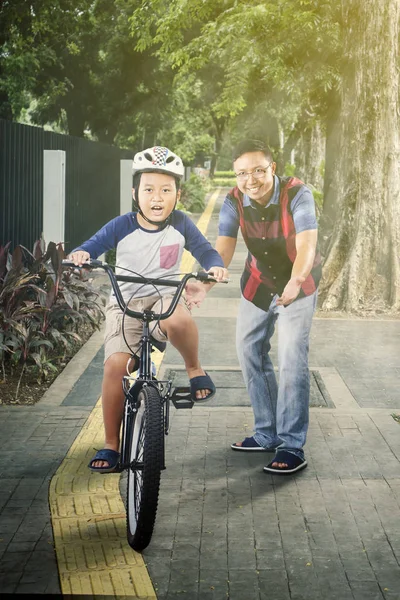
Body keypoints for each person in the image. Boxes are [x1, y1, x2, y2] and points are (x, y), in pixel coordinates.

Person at [69, 146, 228, 473]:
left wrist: (215, 267)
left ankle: (195, 368)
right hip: (125, 303)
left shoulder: (182, 224)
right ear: (135, 194)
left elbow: (206, 251)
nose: (157, 197)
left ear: (178, 194)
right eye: (149, 189)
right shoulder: (121, 225)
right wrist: (81, 255)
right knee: (115, 367)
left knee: (179, 319)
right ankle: (111, 443)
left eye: (166, 190)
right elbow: (90, 246)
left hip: (164, 298)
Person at [186, 139, 321, 475]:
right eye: (242, 173)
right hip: (258, 283)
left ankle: (292, 445)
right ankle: (266, 433)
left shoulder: (298, 195)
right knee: (248, 349)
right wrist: (206, 283)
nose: (251, 179)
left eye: (258, 170)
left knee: (291, 357)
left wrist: (295, 280)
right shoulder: (233, 201)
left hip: (298, 284)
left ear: (271, 168)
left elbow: (306, 244)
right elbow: (224, 249)